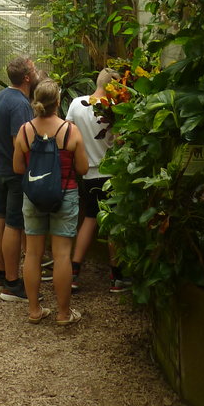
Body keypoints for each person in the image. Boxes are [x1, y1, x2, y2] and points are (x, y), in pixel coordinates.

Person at [12, 77, 88, 326]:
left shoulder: (25, 131)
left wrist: (39, 179)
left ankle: (35, 310)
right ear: (58, 102)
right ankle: (64, 314)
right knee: (62, 254)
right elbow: (83, 168)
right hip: (65, 195)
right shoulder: (70, 131)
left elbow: (17, 166)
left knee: (33, 254)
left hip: (33, 197)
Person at [65, 67, 131, 293]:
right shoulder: (115, 109)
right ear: (114, 87)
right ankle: (117, 277)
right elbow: (121, 141)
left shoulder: (76, 104)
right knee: (111, 222)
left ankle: (74, 273)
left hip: (86, 173)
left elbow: (68, 132)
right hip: (110, 174)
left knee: (90, 217)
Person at [0, 55, 38, 302]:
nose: (37, 72)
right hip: (13, 171)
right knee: (13, 224)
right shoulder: (20, 103)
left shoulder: (0, 98)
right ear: (27, 77)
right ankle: (11, 283)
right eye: (35, 69)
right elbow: (19, 141)